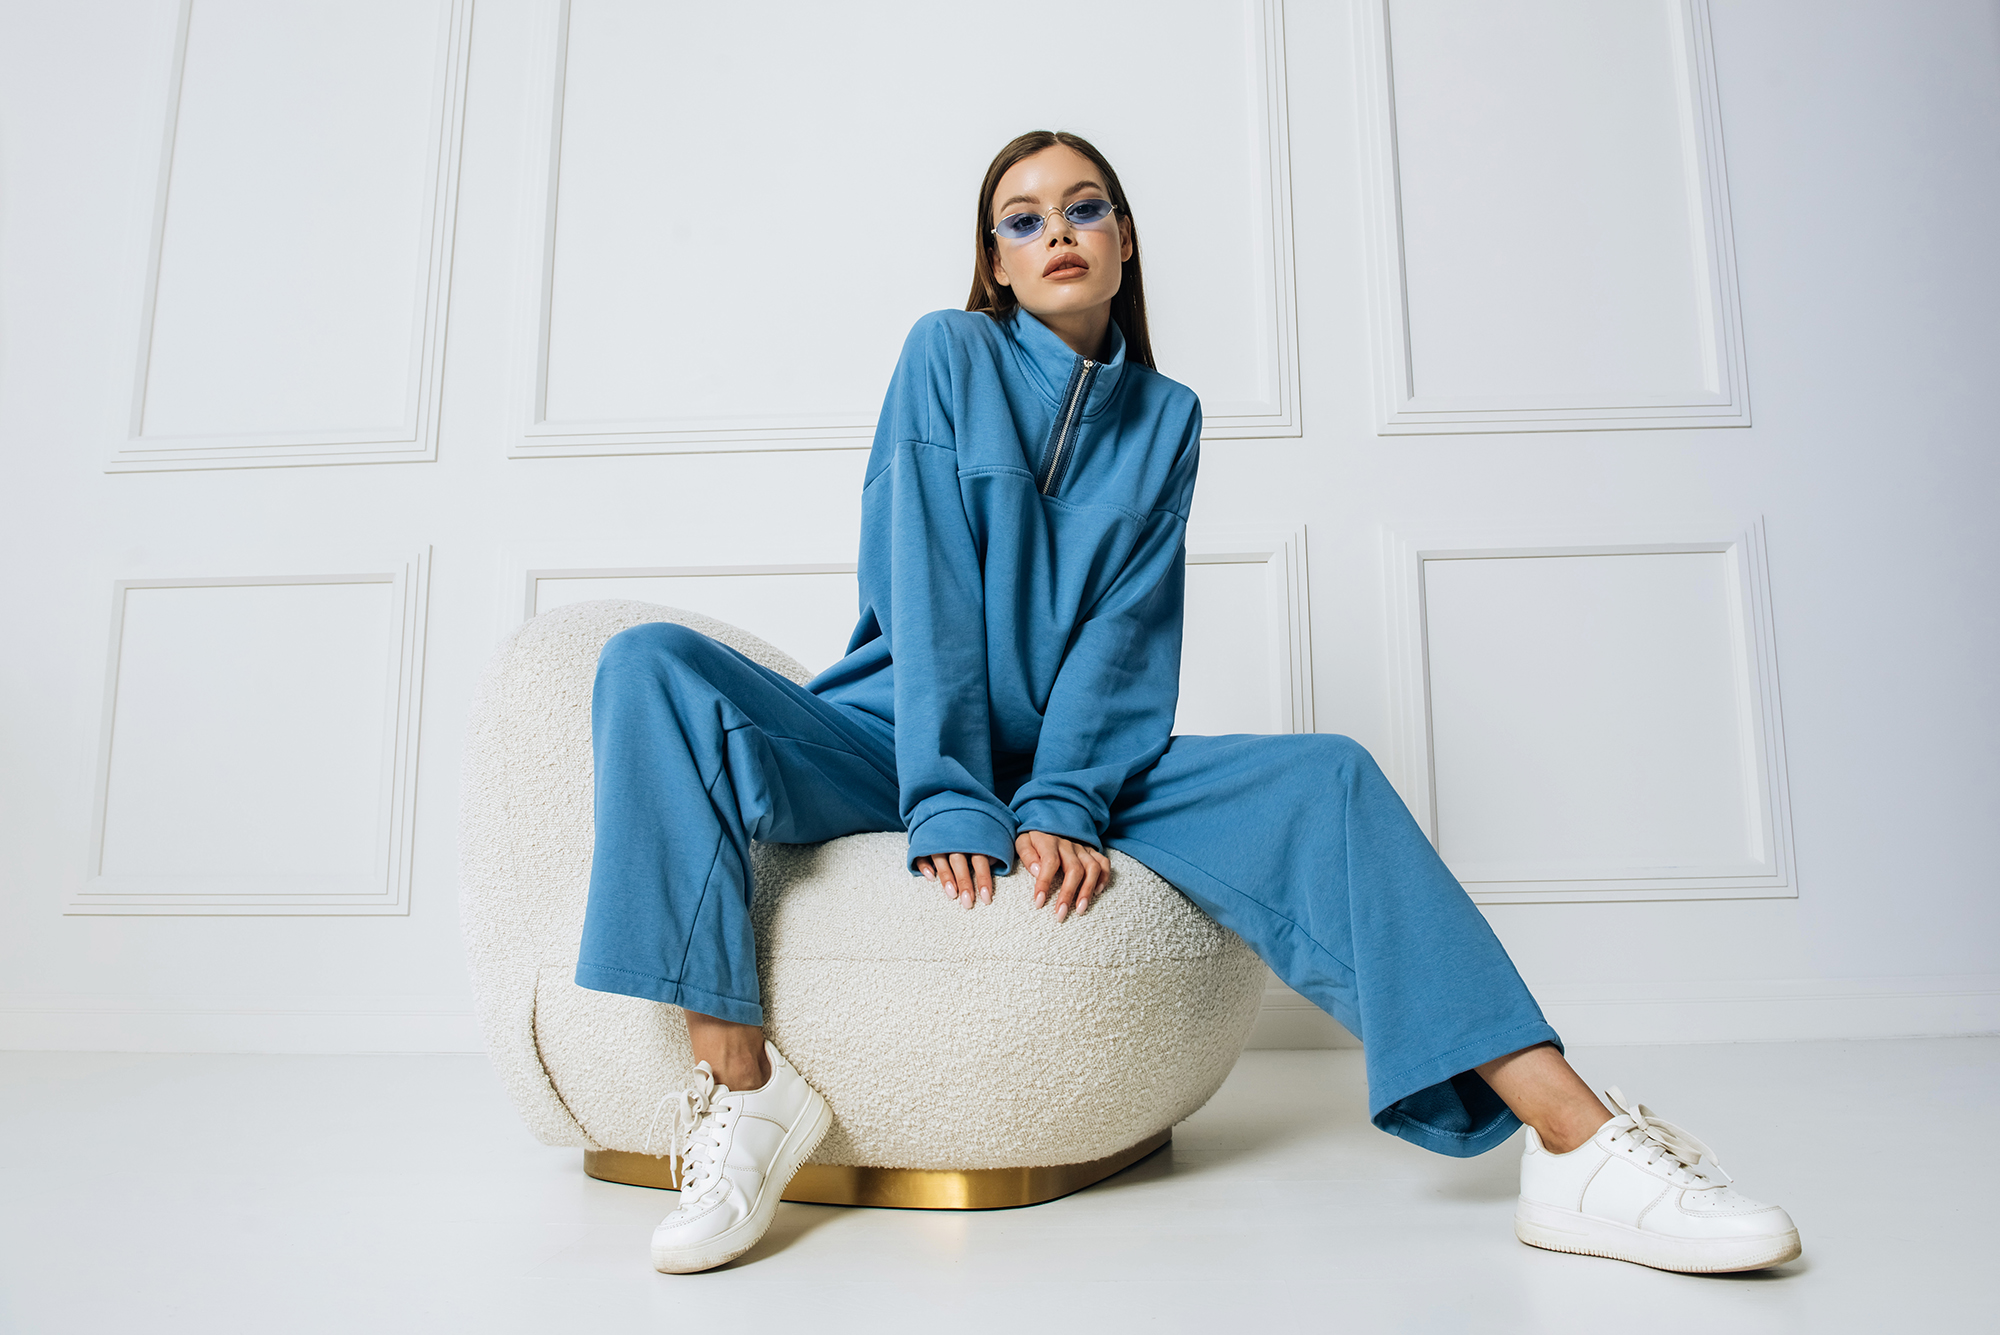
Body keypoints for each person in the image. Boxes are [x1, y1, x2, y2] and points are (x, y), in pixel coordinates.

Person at [575, 130, 1802, 1277]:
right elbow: (926, 586)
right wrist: (949, 796)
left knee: (1325, 776)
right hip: (890, 738)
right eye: (1021, 220)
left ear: (1122, 240)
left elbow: (1125, 641)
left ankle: (1575, 1145)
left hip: (1067, 760)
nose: (1057, 231)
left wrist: (1062, 798)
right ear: (994, 265)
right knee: (649, 666)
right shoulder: (946, 354)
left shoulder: (1166, 419)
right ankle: (743, 1085)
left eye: (1083, 208)